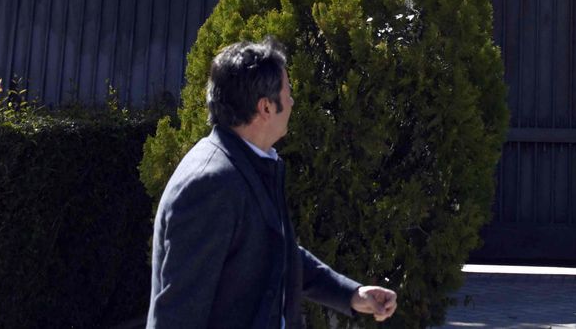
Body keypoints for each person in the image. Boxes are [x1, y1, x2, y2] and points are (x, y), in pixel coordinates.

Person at [148, 38, 398, 328]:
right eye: (288, 92)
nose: (292, 101)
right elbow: (177, 314)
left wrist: (351, 294)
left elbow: (275, 252)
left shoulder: (251, 161)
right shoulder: (211, 183)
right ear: (266, 107)